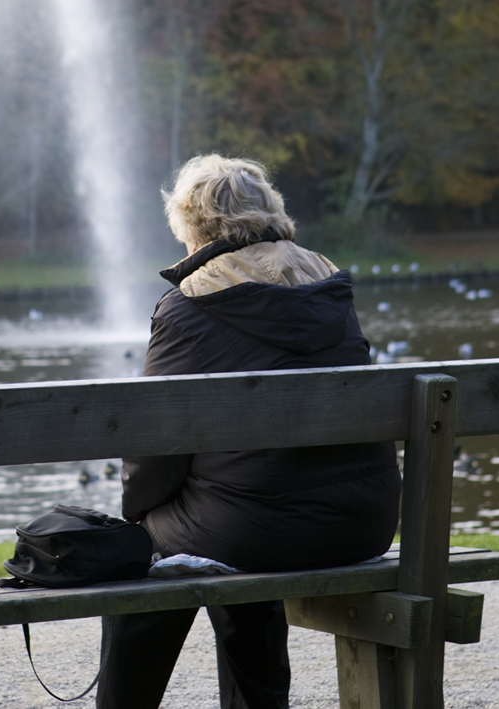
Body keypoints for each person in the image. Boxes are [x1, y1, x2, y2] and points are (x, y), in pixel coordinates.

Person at [96, 154, 401, 709]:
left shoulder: (188, 306)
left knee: (156, 550)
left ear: (191, 225)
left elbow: (154, 444)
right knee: (236, 510)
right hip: (362, 524)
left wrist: (139, 514)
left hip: (256, 532)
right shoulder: (330, 287)